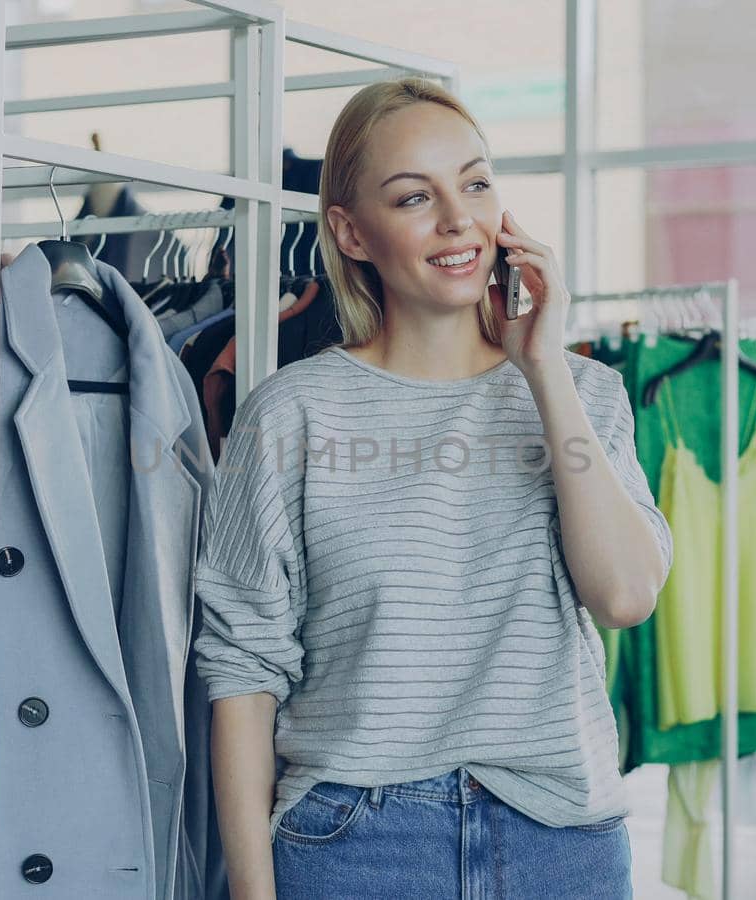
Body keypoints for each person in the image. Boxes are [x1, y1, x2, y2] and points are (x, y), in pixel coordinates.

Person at [191, 77, 673, 900]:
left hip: (560, 845)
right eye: (415, 196)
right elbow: (242, 671)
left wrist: (543, 368)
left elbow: (626, 594)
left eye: (476, 183)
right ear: (349, 231)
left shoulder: (585, 394)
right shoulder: (293, 411)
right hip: (355, 846)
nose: (459, 220)